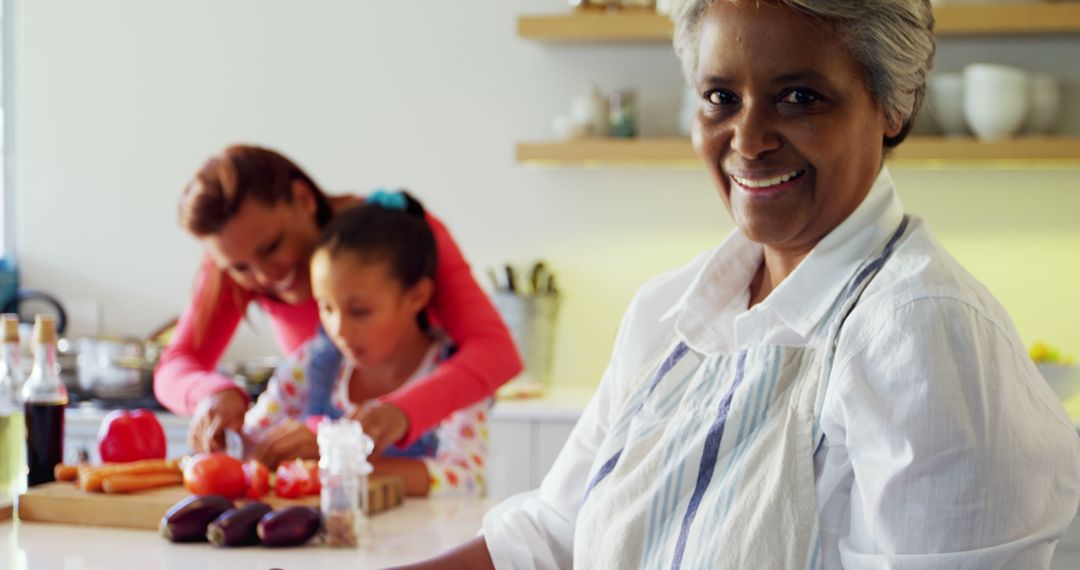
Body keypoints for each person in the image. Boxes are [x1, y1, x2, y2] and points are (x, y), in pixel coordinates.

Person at [396, 0, 1080, 568]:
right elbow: (552, 535)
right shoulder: (667, 311)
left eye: (800, 97)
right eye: (721, 97)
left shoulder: (921, 331)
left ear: (893, 105)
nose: (748, 139)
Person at [156, 145, 521, 455]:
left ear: (303, 199)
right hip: (331, 442)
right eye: (240, 267)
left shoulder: (395, 237)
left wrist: (394, 416)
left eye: (272, 247)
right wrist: (211, 395)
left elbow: (496, 352)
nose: (264, 276)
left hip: (424, 431)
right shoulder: (236, 253)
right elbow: (176, 364)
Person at [244, 193, 488, 497]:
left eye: (360, 311)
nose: (339, 329)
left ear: (417, 297)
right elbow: (249, 442)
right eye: (326, 308)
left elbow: (465, 480)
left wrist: (336, 461)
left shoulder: (454, 377)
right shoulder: (313, 364)